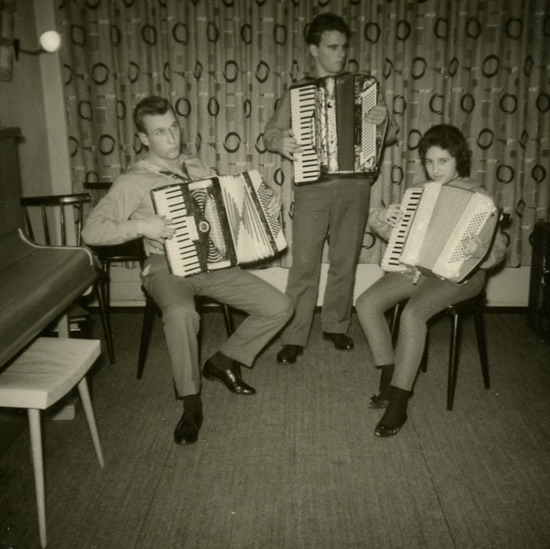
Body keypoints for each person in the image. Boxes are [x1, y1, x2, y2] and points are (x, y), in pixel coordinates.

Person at [82, 95, 293, 446]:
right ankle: (191, 403)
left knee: (280, 306)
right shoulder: (132, 181)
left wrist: (260, 206)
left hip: (209, 262)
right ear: (144, 139)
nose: (172, 137)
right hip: (165, 265)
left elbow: (220, 210)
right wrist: (142, 226)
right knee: (181, 313)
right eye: (160, 132)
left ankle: (223, 360)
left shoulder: (195, 165)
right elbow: (91, 231)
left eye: (174, 127)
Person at [355, 123, 507, 438]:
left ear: (457, 161)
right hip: (419, 270)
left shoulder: (480, 197)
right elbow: (399, 238)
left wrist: (481, 249)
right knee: (366, 303)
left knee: (412, 315)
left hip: (463, 277)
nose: (435, 169)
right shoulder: (419, 193)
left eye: (443, 161)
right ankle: (389, 372)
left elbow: (497, 251)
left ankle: (398, 402)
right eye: (429, 161)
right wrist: (383, 219)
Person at [263, 12, 398, 365]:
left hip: (355, 186)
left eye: (343, 47)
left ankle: (336, 325)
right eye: (332, 47)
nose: (341, 54)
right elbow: (270, 134)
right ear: (314, 49)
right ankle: (294, 335)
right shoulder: (298, 92)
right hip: (312, 188)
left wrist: (384, 122)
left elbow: (392, 133)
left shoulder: (366, 88)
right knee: (303, 265)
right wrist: (283, 144)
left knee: (345, 262)